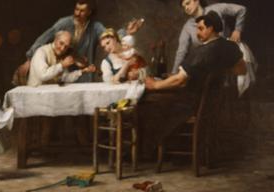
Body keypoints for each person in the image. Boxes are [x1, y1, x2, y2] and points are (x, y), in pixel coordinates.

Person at [142, 12, 246, 155]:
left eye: (201, 28)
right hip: (213, 103)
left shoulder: (202, 51)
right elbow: (241, 69)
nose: (197, 33)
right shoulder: (230, 47)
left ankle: (147, 151)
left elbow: (179, 80)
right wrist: (216, 72)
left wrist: (155, 85)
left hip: (194, 104)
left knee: (151, 105)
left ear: (211, 29)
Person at [25, 1, 142, 83]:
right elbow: (45, 37)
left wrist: (127, 32)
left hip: (85, 74)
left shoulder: (95, 27)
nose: (77, 13)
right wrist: (30, 59)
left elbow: (109, 37)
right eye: (76, 9)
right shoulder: (64, 23)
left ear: (89, 12)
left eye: (82, 11)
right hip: (64, 74)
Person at [173, 0, 246, 72]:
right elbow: (181, 51)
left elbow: (241, 9)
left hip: (228, 55)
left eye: (188, 3)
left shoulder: (217, 9)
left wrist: (237, 30)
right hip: (207, 64)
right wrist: (174, 72)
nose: (186, 8)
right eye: (184, 7)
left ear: (197, 1)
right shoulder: (188, 26)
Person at [28, 31, 92, 86]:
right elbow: (43, 75)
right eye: (61, 43)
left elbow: (64, 78)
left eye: (66, 47)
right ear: (55, 40)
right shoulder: (41, 52)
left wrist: (83, 71)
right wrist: (62, 65)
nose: (62, 49)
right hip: (36, 94)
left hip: (50, 94)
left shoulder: (61, 55)